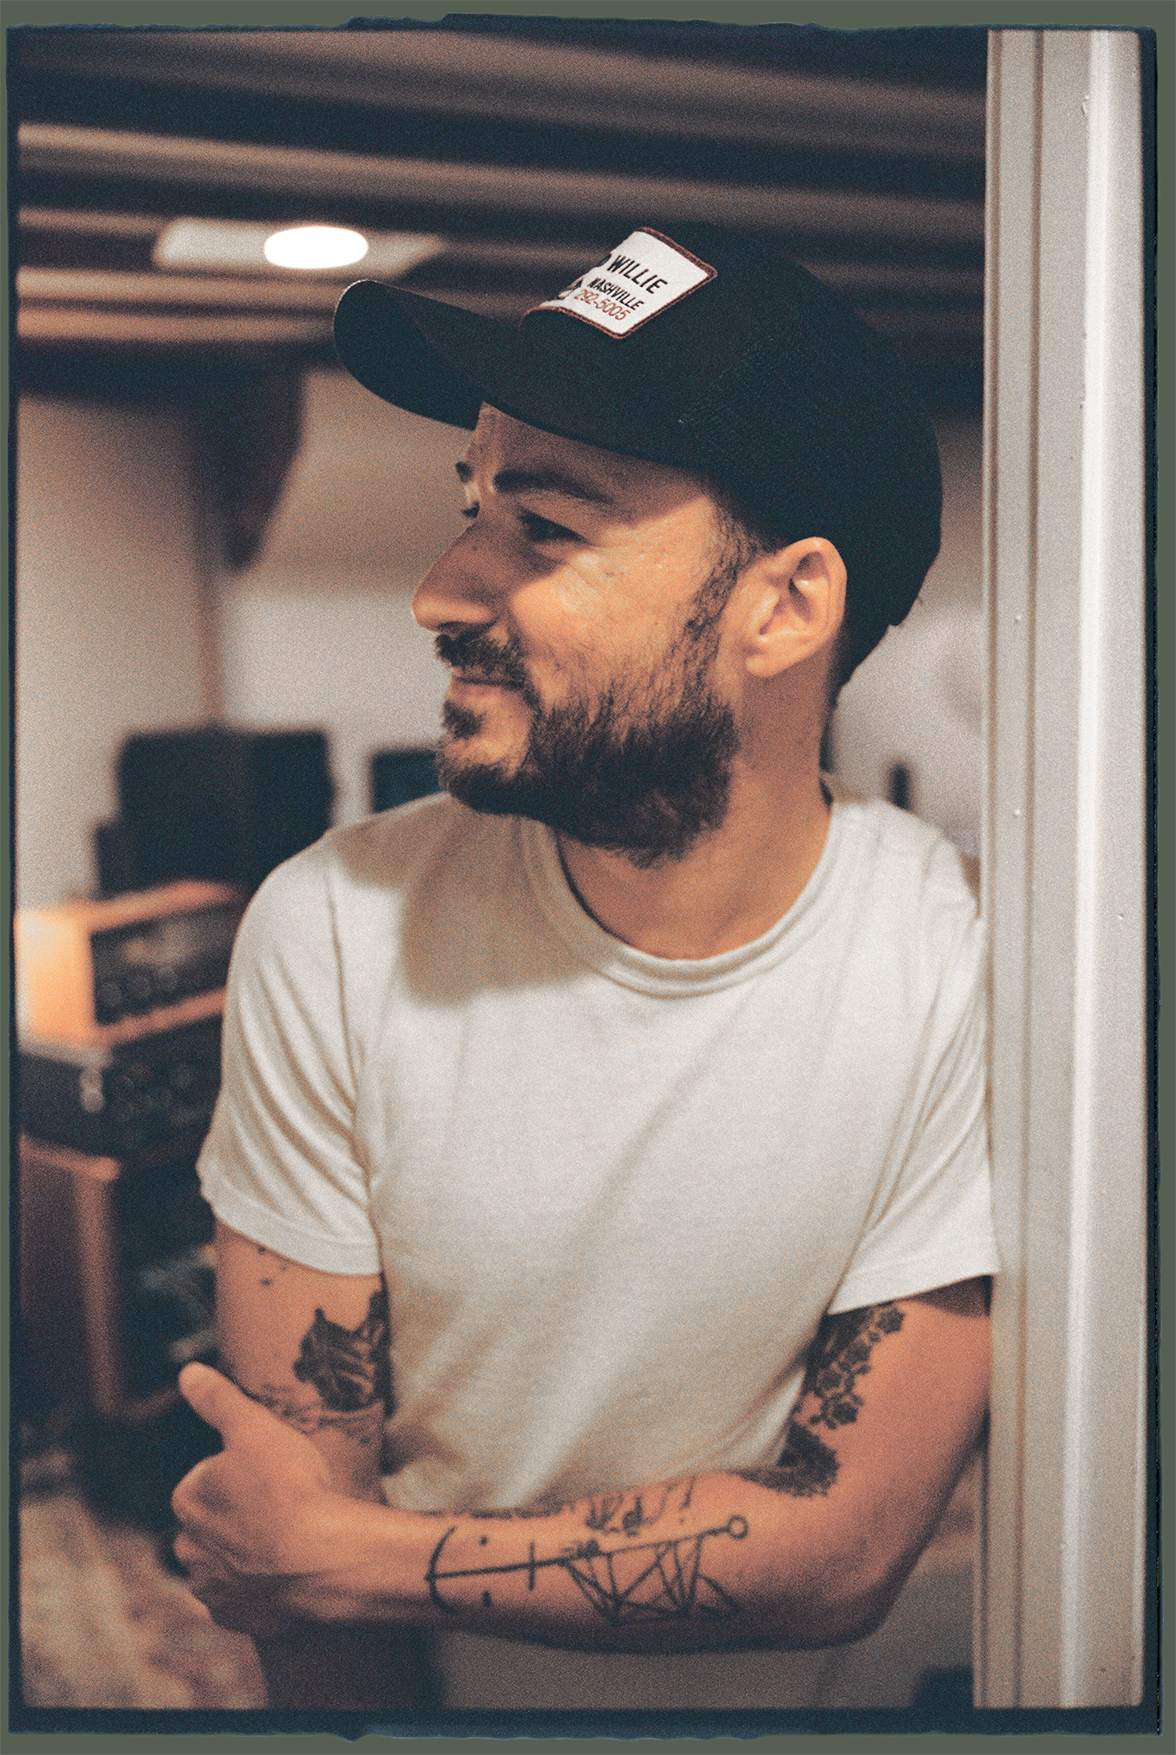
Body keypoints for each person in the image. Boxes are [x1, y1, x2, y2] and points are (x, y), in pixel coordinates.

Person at [171, 224, 999, 1713]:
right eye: (470, 503)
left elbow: (846, 1544)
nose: (437, 589)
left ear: (786, 607)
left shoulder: (955, 966)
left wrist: (352, 1557)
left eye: (541, 527)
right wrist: (332, 1590)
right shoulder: (336, 927)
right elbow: (296, 1585)